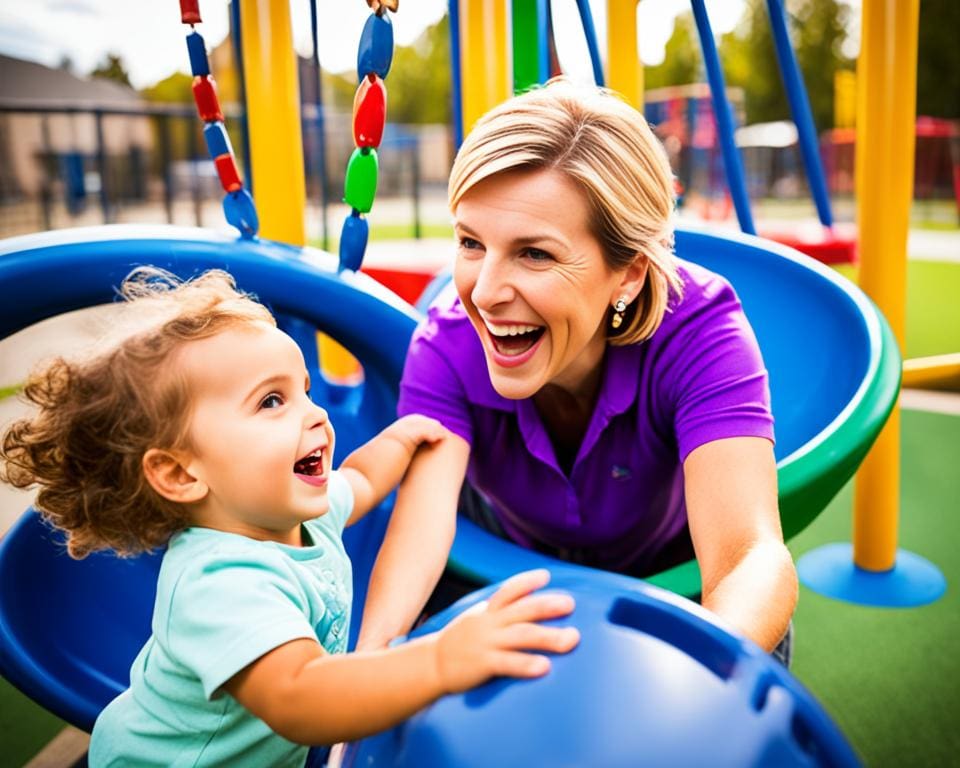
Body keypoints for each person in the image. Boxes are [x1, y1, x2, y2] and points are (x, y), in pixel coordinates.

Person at [0, 268, 579, 768]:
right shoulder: (219, 585)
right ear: (180, 473)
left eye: (303, 390)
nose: (315, 414)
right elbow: (301, 696)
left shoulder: (301, 511)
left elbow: (361, 479)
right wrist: (440, 660)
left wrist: (402, 441)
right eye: (271, 401)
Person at [355, 79, 797, 665]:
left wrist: (695, 696)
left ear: (629, 274)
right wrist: (366, 676)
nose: (483, 293)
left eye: (534, 253)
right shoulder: (448, 339)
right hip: (512, 564)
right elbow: (419, 532)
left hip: (668, 572)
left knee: (756, 639)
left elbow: (749, 556)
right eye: (470, 242)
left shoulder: (698, 327)